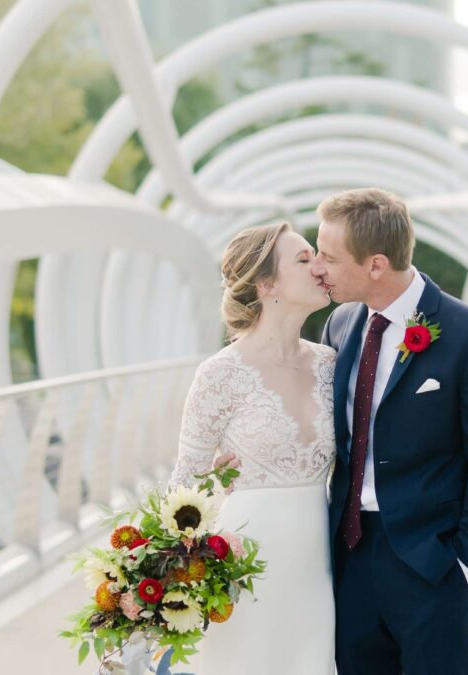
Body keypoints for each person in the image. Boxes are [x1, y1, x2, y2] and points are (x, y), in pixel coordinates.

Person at [312, 187, 468, 675]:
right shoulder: (340, 324)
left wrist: (465, 564)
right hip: (350, 553)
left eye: (328, 256)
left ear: (376, 264)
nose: (318, 267)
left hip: (432, 561)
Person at [168, 222, 337, 674]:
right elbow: (183, 486)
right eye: (303, 259)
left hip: (319, 562)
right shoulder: (220, 374)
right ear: (267, 284)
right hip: (242, 565)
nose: (319, 266)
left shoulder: (331, 364)